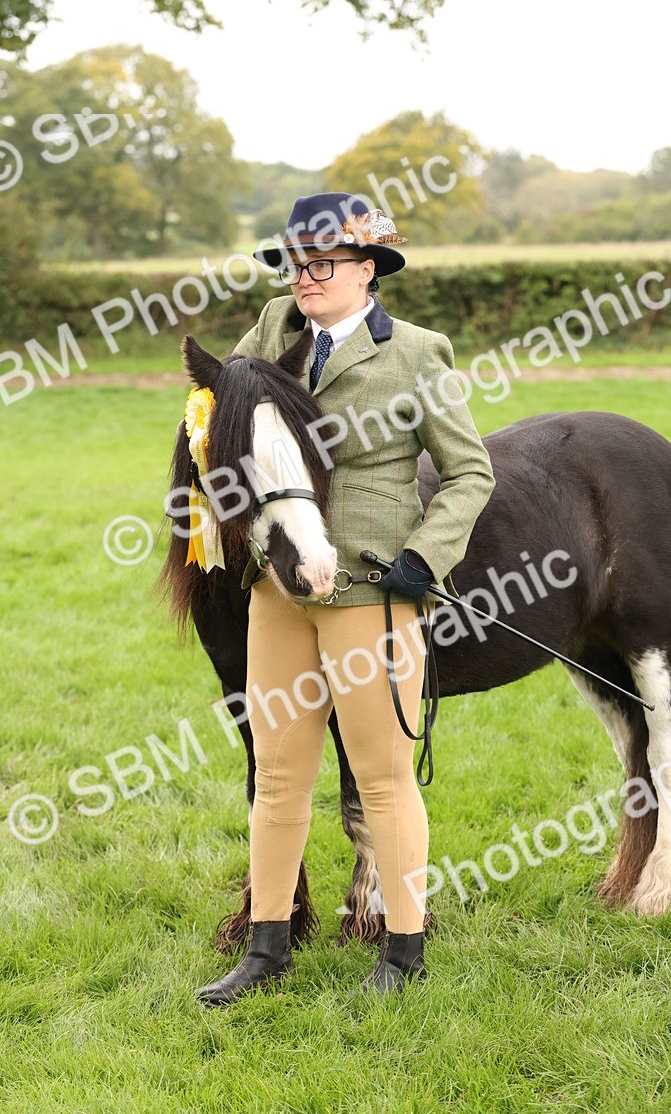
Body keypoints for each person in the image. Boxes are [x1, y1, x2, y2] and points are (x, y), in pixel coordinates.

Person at [195, 192, 495, 1005]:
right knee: (278, 775)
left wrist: (425, 558)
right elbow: (219, 415)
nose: (305, 277)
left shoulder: (418, 354)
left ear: (367, 269)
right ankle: (266, 949)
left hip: (371, 593)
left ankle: (403, 953)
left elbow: (470, 473)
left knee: (385, 777)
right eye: (297, 264)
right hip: (278, 593)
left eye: (322, 264)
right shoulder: (271, 330)